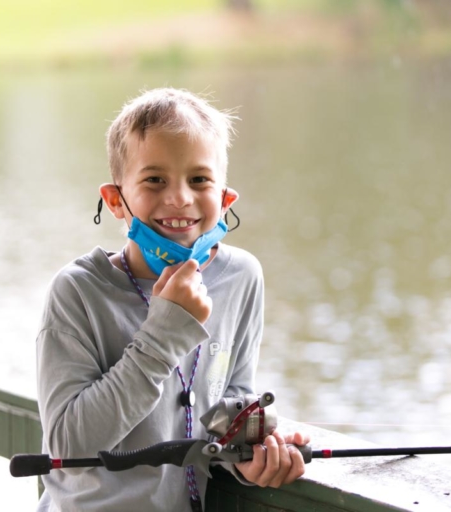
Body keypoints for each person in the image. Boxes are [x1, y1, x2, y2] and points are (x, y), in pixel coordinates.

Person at [35, 87, 309, 512]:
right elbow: (68, 448)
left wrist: (249, 449)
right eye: (154, 179)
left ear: (225, 198)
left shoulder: (242, 277)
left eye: (199, 180)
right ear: (115, 201)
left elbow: (229, 398)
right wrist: (164, 334)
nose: (179, 197)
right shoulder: (78, 292)